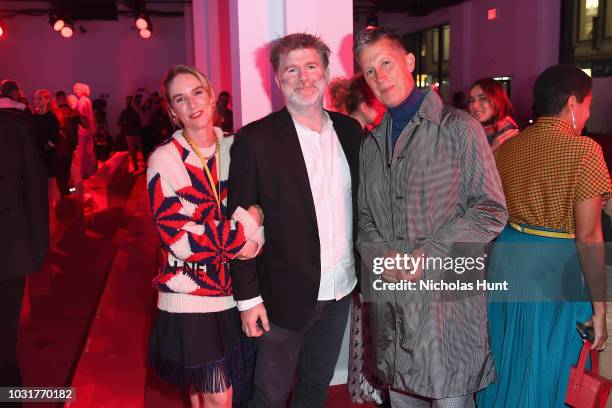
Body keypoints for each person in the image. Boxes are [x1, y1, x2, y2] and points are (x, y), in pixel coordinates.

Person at [354, 26, 507, 407]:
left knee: (451, 397)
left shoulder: (458, 128)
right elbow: (365, 219)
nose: (380, 76)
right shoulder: (372, 145)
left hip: (446, 308)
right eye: (370, 71)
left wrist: (432, 249)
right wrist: (379, 255)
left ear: (409, 62)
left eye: (386, 63)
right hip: (394, 309)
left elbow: (490, 209)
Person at [227, 33, 363, 407]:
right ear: (278, 79)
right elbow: (240, 229)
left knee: (315, 388)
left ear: (325, 72)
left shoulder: (351, 133)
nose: (303, 77)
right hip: (281, 297)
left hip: (340, 289)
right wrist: (248, 299)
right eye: (292, 69)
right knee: (268, 396)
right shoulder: (255, 141)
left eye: (311, 66)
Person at [476, 64, 609, 408]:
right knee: (547, 363)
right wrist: (601, 309)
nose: (589, 112)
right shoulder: (585, 151)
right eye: (588, 104)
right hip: (553, 268)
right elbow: (589, 235)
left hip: (508, 258)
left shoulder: (508, 148)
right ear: (572, 103)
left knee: (508, 355)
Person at [146, 64, 264, 408]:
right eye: (180, 99)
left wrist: (255, 241)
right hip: (189, 295)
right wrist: (243, 231)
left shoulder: (235, 148)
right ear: (172, 111)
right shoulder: (165, 160)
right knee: (218, 396)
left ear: (212, 96)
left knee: (205, 394)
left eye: (197, 93)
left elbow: (263, 208)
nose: (192, 104)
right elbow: (181, 241)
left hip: (234, 293)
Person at [0, 105, 49, 401]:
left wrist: (37, 247)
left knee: (4, 351)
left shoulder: (10, 129)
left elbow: (34, 186)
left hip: (7, 255)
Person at [467, 78, 519, 151]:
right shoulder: (474, 130)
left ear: (497, 100)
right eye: (472, 100)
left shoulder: (506, 132)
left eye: (483, 98)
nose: (475, 105)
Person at [73, 82, 97, 179]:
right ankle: (91, 171)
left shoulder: (82, 101)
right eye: (76, 90)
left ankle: (82, 174)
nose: (76, 92)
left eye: (78, 90)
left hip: (82, 131)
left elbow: (80, 114)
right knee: (89, 152)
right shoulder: (87, 100)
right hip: (88, 131)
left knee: (81, 154)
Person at [118, 95, 142, 172]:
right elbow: (119, 122)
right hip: (132, 133)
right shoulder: (126, 112)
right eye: (128, 100)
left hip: (136, 133)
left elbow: (120, 123)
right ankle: (137, 167)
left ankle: (139, 167)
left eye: (130, 100)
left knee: (140, 151)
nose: (129, 102)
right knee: (134, 152)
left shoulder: (136, 110)